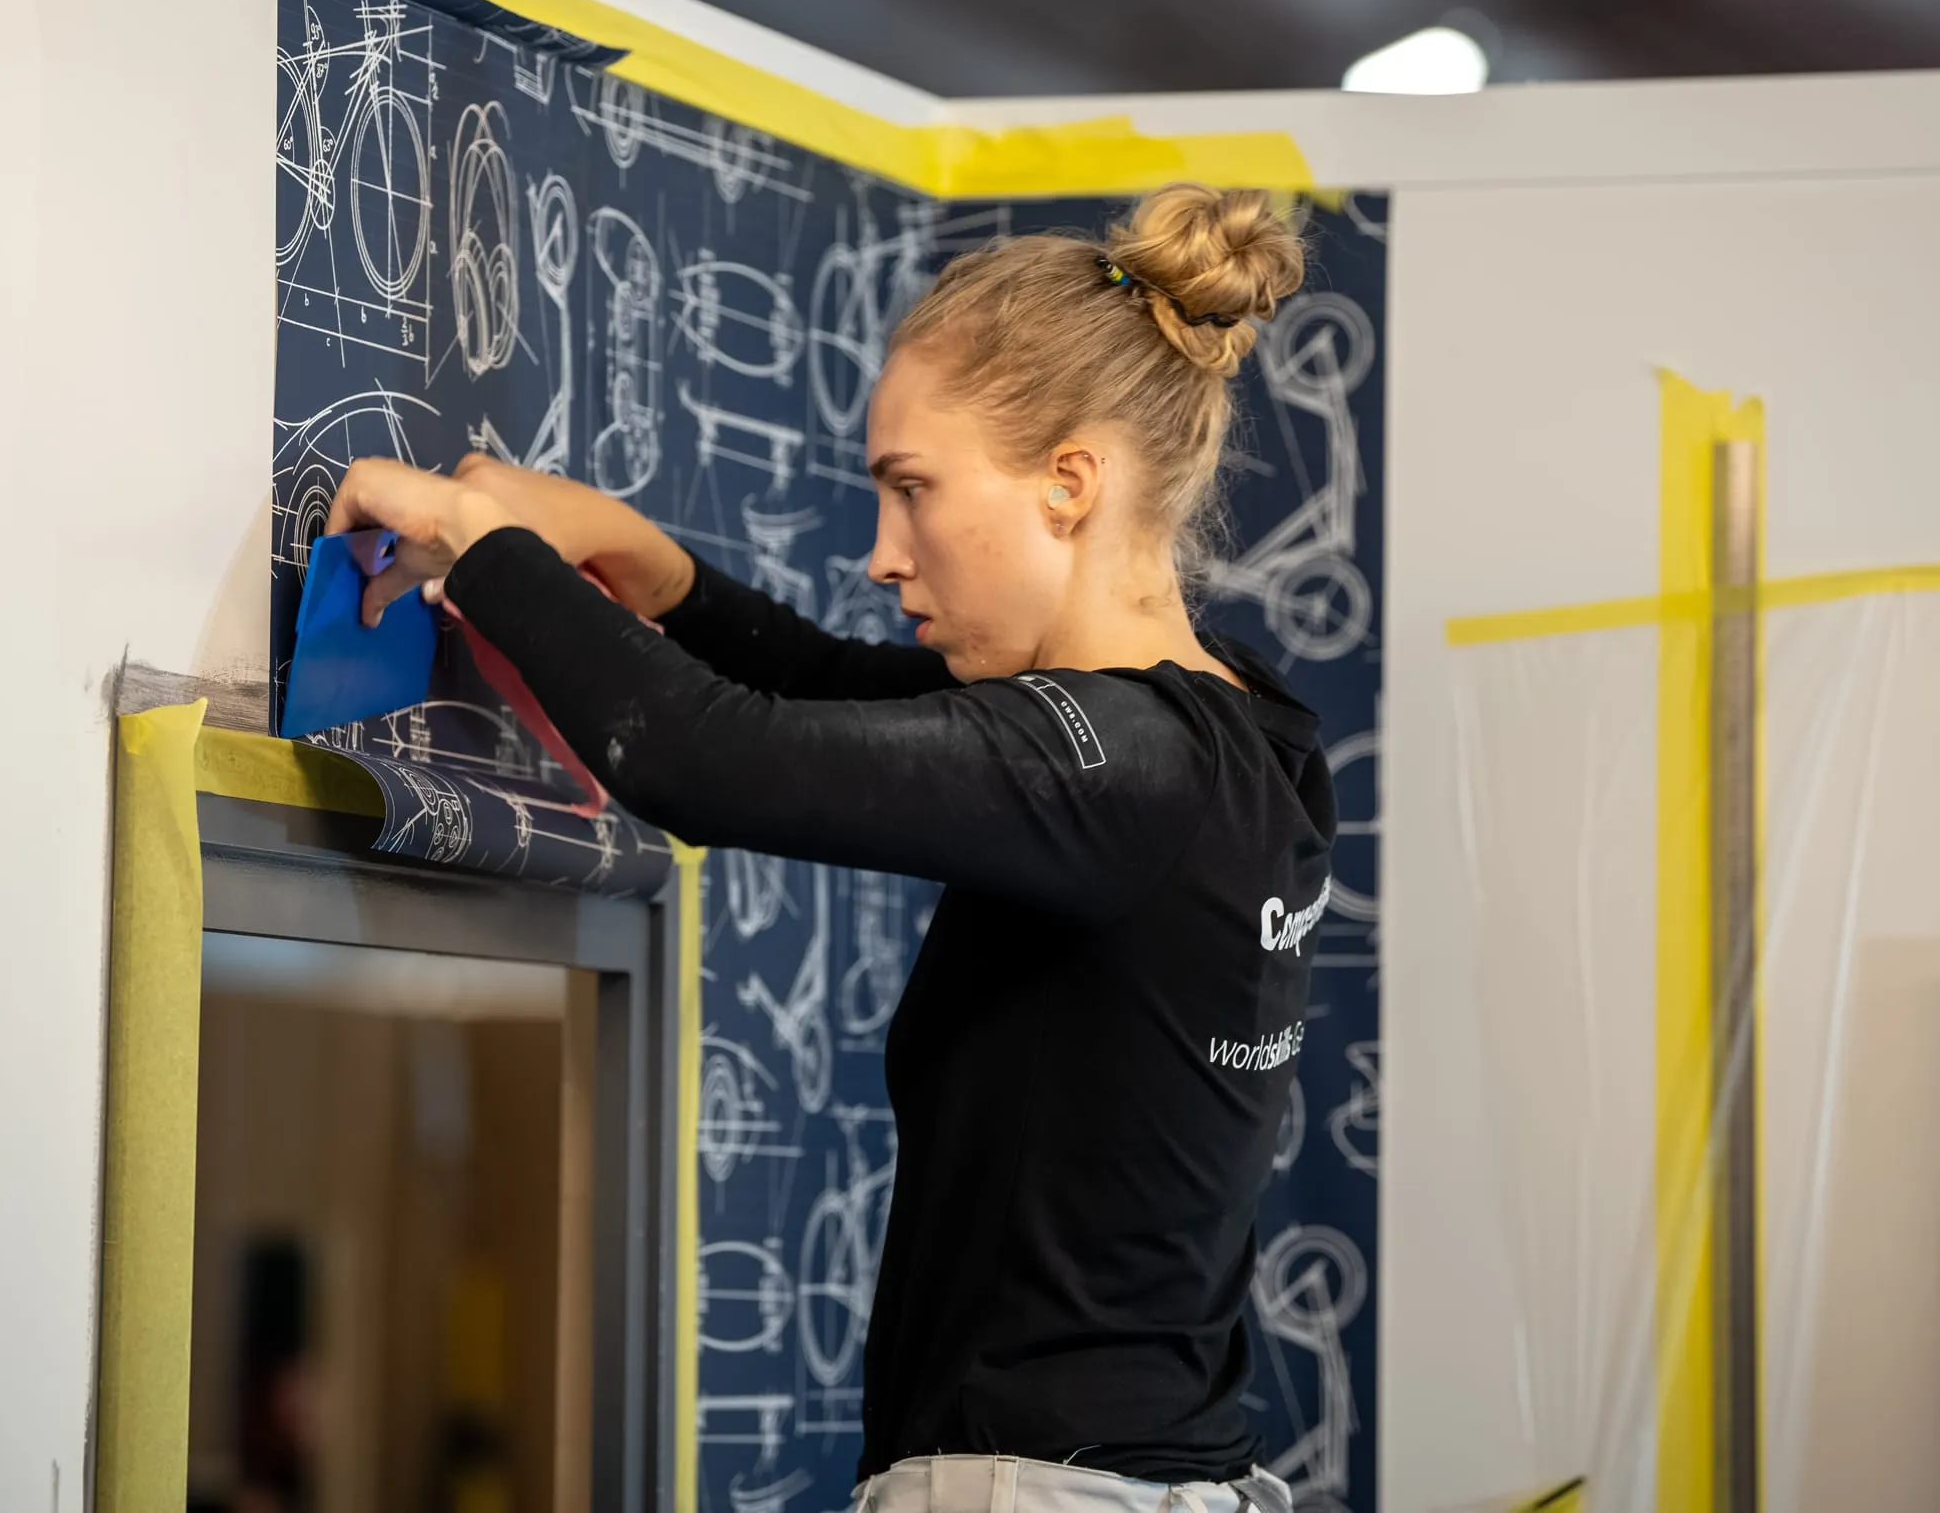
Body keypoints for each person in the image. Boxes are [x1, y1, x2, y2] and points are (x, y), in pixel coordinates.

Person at [326, 183, 1332, 1513]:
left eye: (913, 491)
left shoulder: (1120, 768)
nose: (881, 553)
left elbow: (711, 757)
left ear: (1068, 484)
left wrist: (486, 544)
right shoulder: (1245, 735)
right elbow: (835, 693)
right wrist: (653, 565)